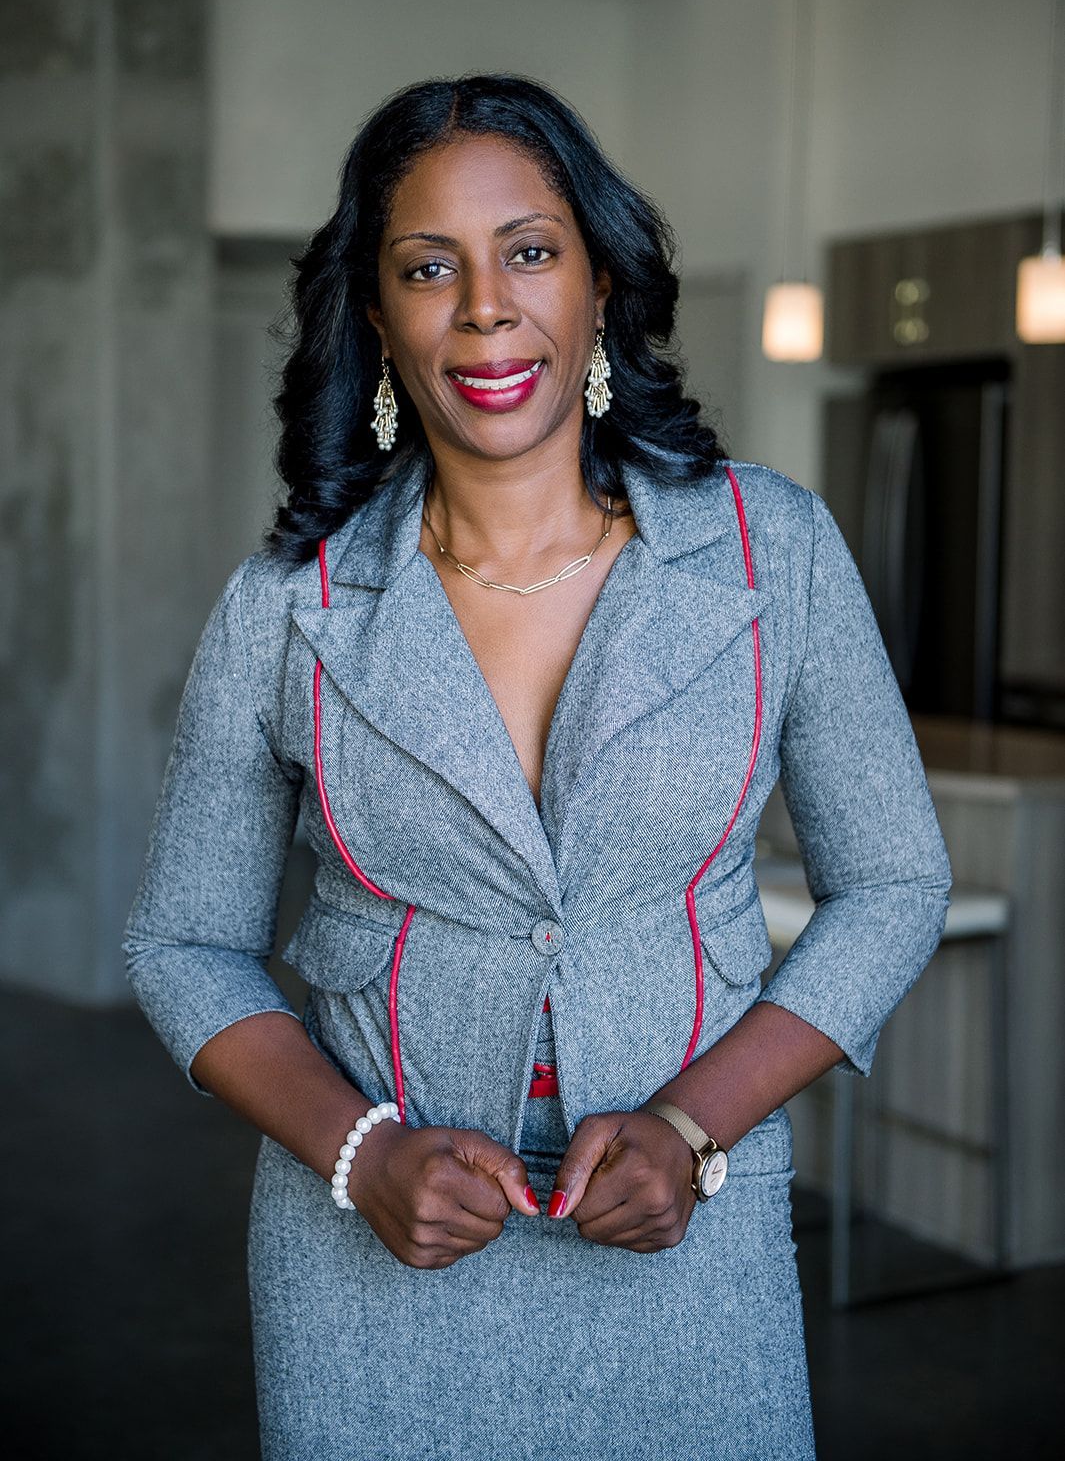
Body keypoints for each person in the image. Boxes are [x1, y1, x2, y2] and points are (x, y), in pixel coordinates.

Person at [123, 73, 953, 1460]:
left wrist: (695, 1125)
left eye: (528, 251)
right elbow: (184, 943)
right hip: (372, 1273)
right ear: (376, 317)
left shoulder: (773, 551)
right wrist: (357, 1153)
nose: (485, 308)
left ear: (600, 283)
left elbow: (892, 883)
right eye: (427, 267)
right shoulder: (286, 609)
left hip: (690, 1248)